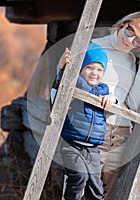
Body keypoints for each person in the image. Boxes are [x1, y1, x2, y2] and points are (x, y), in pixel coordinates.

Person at [90, 11, 140, 199]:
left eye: (138, 41)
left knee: (107, 194)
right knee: (84, 190)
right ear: (125, 23)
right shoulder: (94, 48)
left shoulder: (131, 60)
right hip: (95, 128)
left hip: (122, 134)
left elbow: (133, 102)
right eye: (130, 31)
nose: (130, 41)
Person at [56, 42, 116, 200]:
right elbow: (62, 79)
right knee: (79, 176)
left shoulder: (104, 89)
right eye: (89, 67)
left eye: (99, 69)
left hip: (94, 149)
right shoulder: (77, 82)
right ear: (81, 68)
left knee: (96, 185)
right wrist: (62, 66)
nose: (94, 73)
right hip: (72, 144)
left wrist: (112, 99)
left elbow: (113, 100)